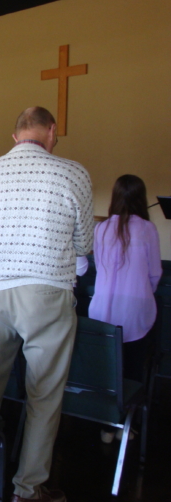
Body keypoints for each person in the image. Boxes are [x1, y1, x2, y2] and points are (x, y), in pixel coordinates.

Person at [0, 107, 94, 502]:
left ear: (15, 136)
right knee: (44, 394)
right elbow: (84, 244)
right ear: (51, 131)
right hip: (45, 292)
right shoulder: (73, 172)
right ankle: (27, 488)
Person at [89, 175, 161, 442]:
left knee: (108, 369)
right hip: (135, 310)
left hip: (103, 309)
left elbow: (98, 266)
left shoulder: (101, 228)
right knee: (132, 369)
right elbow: (155, 273)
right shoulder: (147, 229)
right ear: (141, 198)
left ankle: (107, 426)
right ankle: (127, 427)